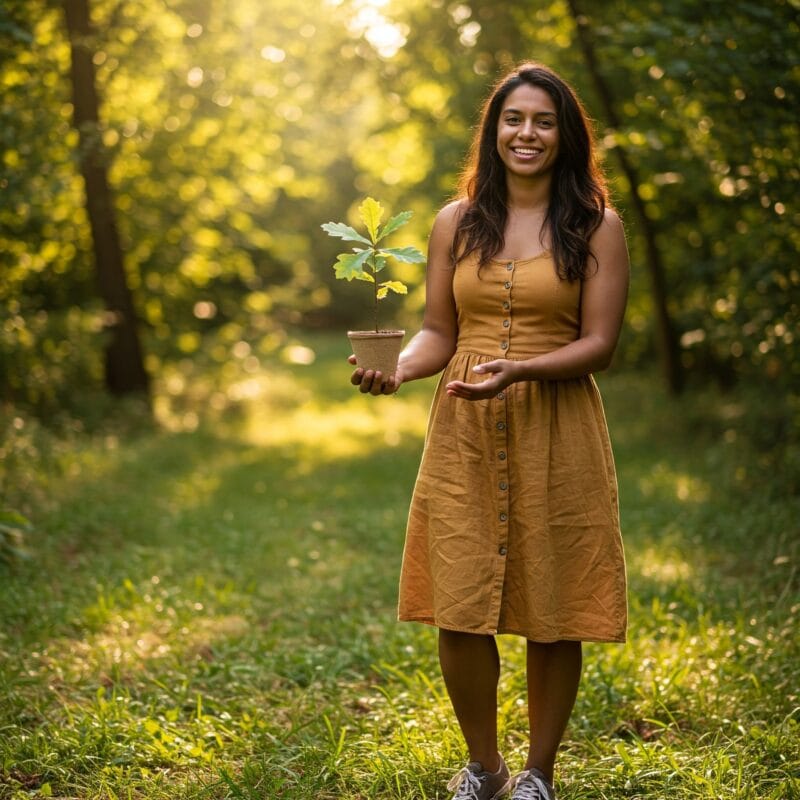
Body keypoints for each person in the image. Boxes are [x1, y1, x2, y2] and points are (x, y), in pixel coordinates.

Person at [350, 62, 629, 800]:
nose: (526, 134)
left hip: (558, 424)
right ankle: (486, 767)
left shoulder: (598, 226)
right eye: (514, 120)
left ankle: (539, 774)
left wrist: (521, 370)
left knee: (554, 603)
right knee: (460, 597)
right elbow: (439, 332)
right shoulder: (456, 221)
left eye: (542, 121)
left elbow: (601, 343)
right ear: (494, 131)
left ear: (564, 134)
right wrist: (399, 369)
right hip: (464, 428)